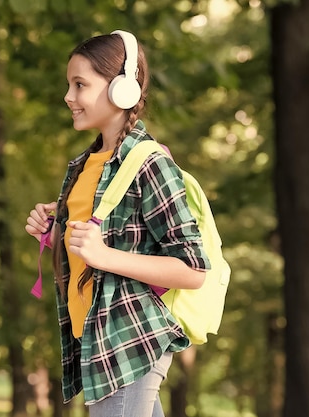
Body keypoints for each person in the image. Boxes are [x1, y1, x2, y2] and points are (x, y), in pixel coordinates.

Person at [25, 30, 210, 417]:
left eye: (80, 85)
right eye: (68, 85)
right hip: (95, 338)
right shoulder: (83, 166)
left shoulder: (149, 163)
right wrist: (55, 233)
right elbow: (90, 247)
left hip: (128, 341)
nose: (68, 97)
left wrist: (103, 254)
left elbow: (193, 269)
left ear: (120, 89)